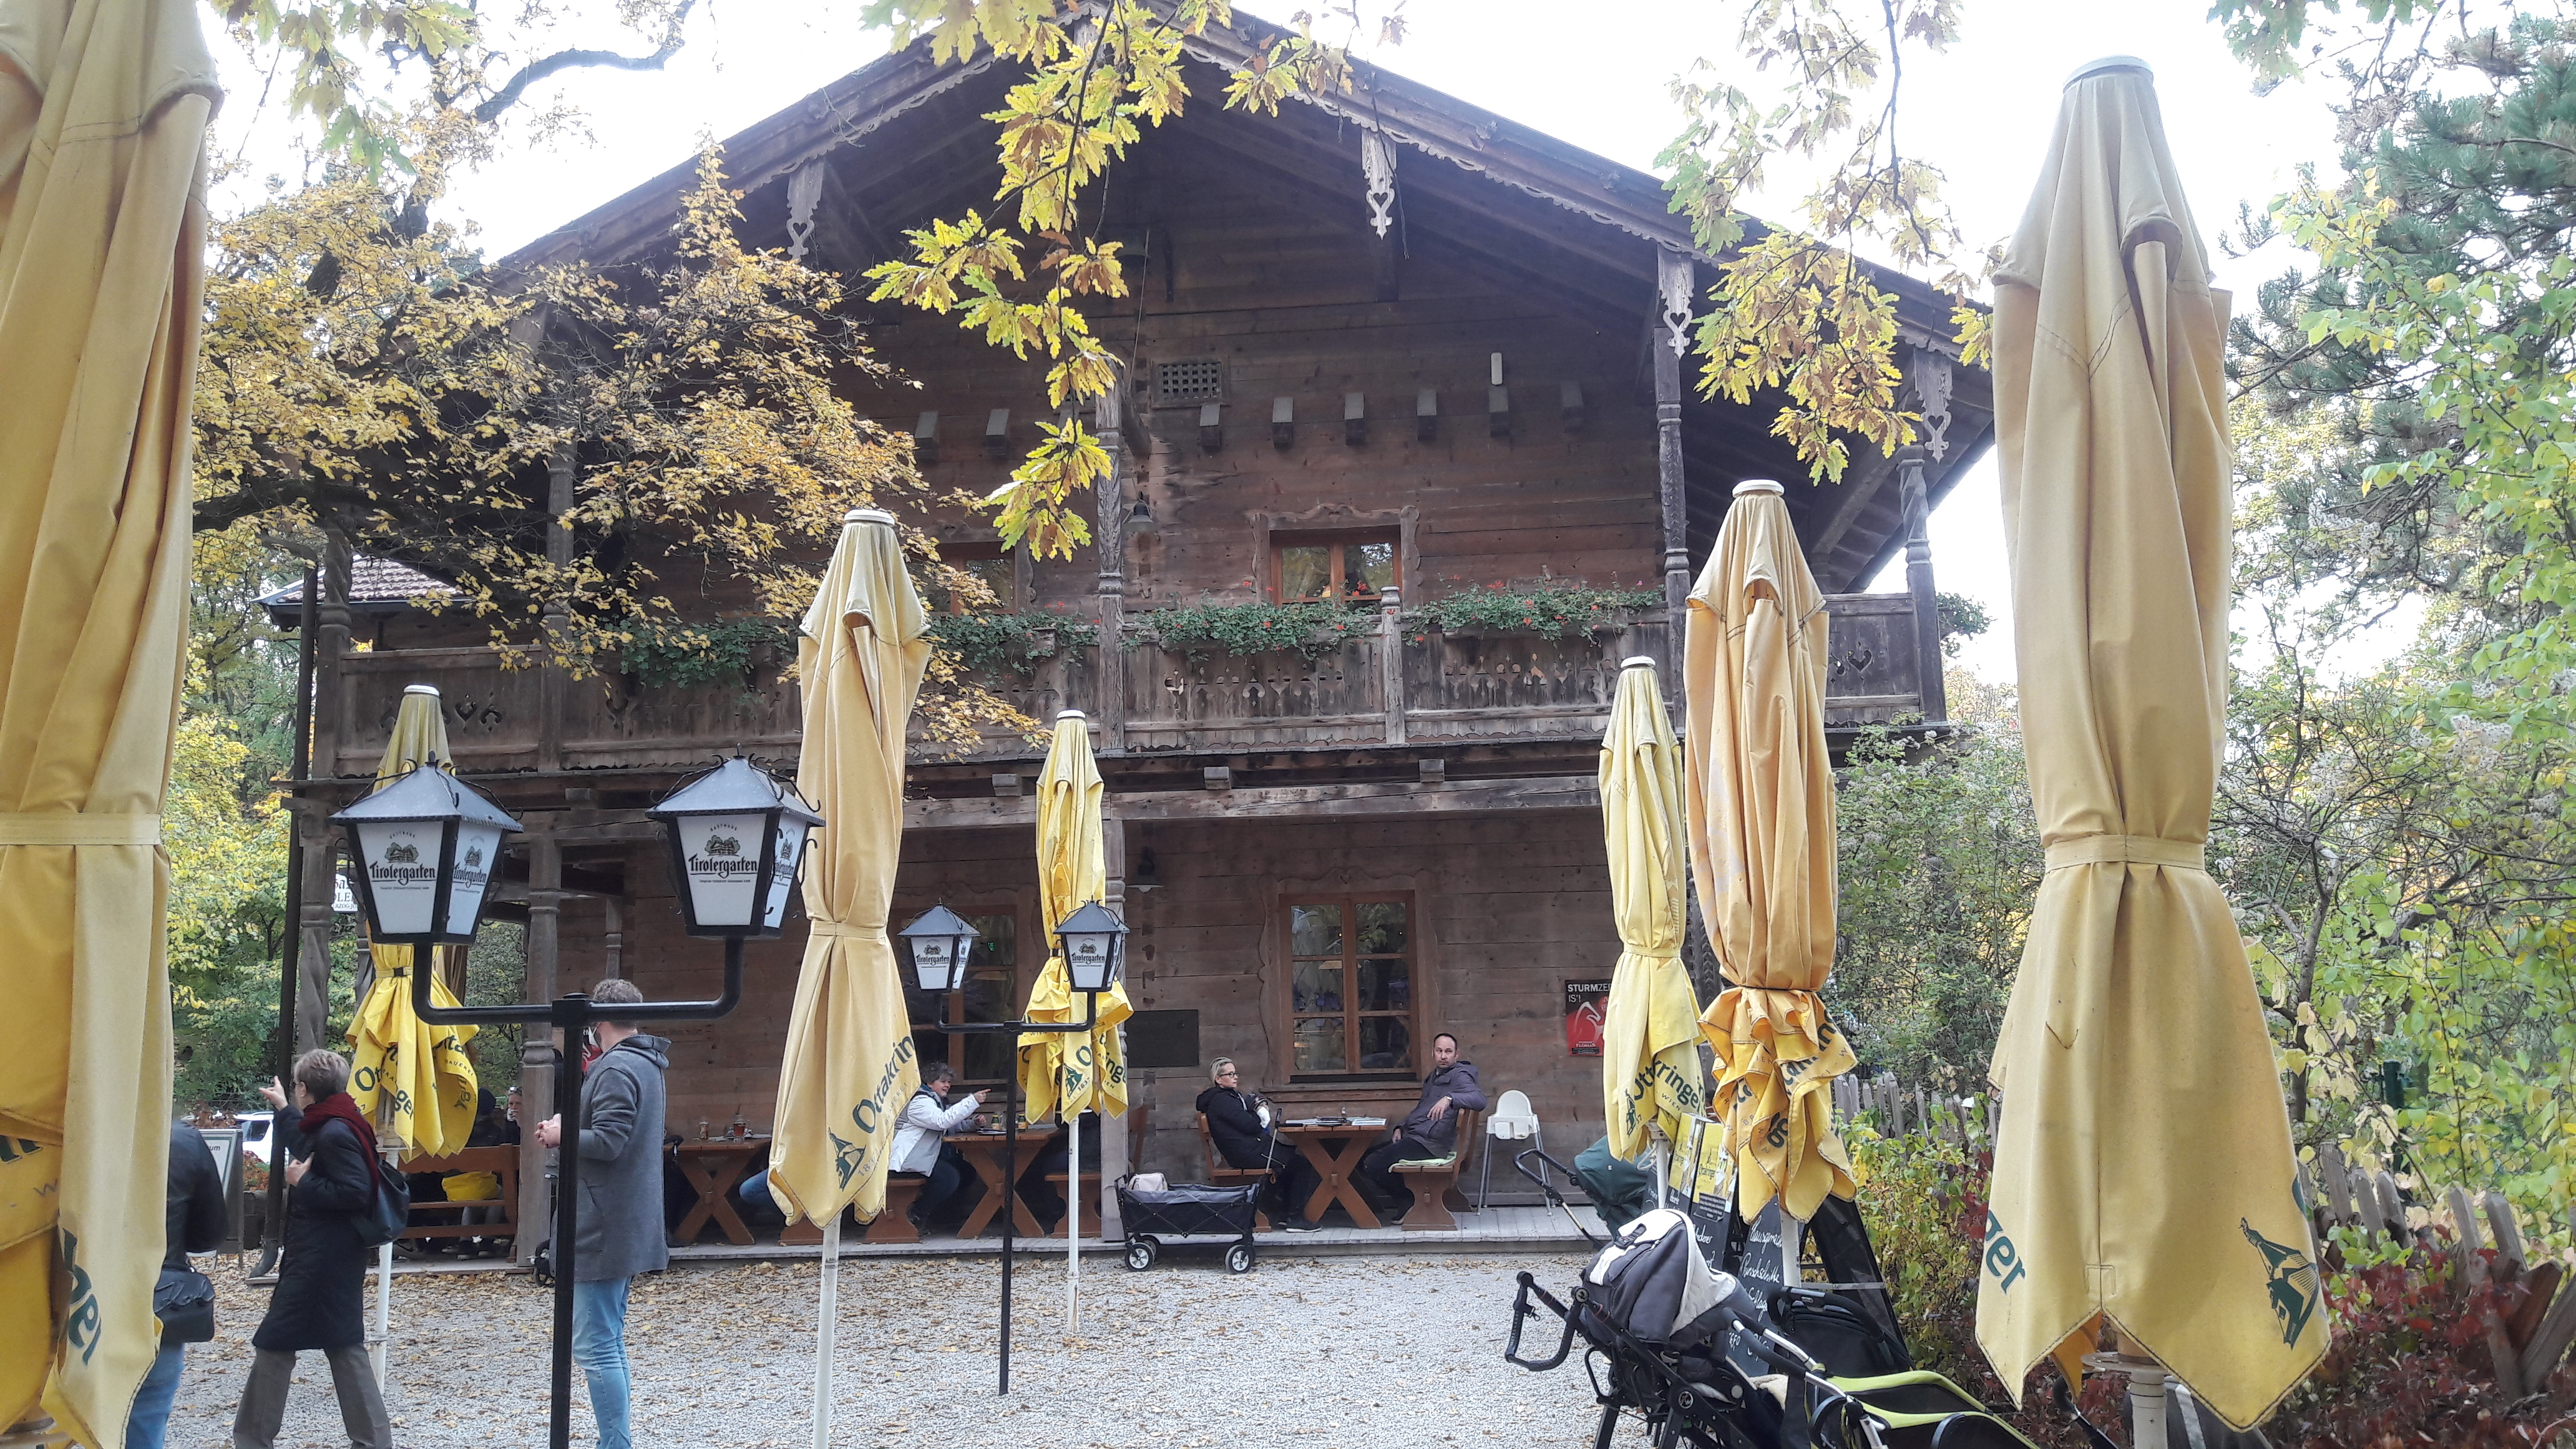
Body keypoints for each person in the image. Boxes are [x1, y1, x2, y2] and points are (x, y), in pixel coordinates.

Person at [232, 1050, 392, 1449]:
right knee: (341, 1343)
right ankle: (373, 1441)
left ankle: (253, 1440)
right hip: (331, 1257)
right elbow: (307, 1137)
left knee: (277, 1342)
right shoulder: (339, 1120)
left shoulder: (335, 1131)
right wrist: (284, 1108)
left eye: (296, 1088)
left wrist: (304, 1184)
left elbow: (356, 1193)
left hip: (320, 1260)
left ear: (306, 1088)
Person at [535, 978, 668, 1449]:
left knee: (596, 1347)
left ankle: (616, 1445)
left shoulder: (615, 1068)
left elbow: (610, 1141)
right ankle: (615, 1442)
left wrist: (560, 1133)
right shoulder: (648, 1063)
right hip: (620, 1220)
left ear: (598, 1020)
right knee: (607, 1343)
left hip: (602, 1225)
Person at [130, 1118, 225, 1449]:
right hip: (157, 1296)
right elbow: (209, 1234)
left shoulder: (54, 1125)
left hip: (60, 1294)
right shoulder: (182, 1139)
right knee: (146, 1411)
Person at [1358, 1032, 1486, 1208]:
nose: (1443, 1056)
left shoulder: (1460, 1076)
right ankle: (1407, 1200)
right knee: (1361, 1160)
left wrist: (1450, 1099)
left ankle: (1409, 1202)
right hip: (1415, 1137)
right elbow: (1421, 1110)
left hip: (1430, 1146)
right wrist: (1401, 1127)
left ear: (1457, 1054)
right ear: (1432, 1053)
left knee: (1373, 1163)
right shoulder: (1434, 1076)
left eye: (1448, 1052)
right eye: (1439, 1051)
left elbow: (1480, 1100)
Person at [1195, 1058, 1323, 1231]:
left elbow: (1246, 1120)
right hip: (1245, 1154)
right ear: (1218, 1079)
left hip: (1247, 1149)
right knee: (1301, 1166)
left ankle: (1285, 1215)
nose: (1235, 1077)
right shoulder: (1222, 1101)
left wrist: (1252, 1113)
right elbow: (1251, 1126)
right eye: (1230, 1074)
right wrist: (1259, 1113)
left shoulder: (1228, 1097)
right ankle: (1295, 1219)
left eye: (1236, 1073)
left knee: (1292, 1163)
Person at [887, 1060, 985, 1231]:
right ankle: (917, 1213)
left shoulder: (935, 1100)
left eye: (949, 1082)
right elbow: (942, 1122)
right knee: (949, 1178)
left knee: (966, 1171)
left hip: (924, 1156)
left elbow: (948, 1125)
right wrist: (972, 1101)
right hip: (907, 1159)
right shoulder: (919, 1102)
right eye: (943, 1081)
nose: (947, 1085)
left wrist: (972, 1125)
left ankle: (942, 1216)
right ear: (930, 1082)